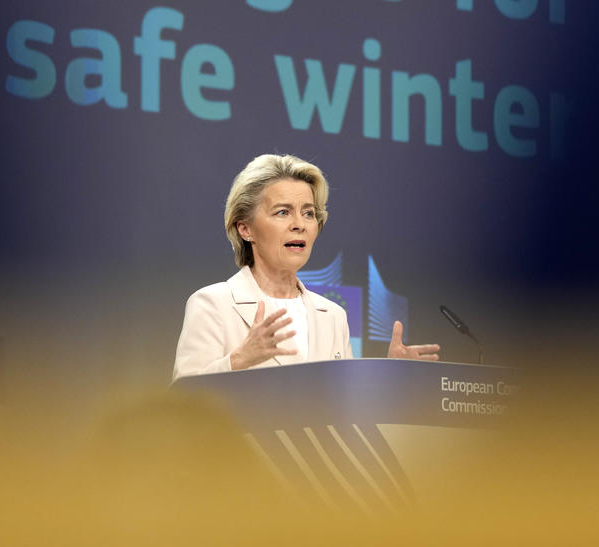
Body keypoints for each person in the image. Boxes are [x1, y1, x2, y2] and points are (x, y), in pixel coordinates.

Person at [172, 154, 439, 380]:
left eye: (309, 213)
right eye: (283, 212)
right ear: (245, 228)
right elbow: (181, 407)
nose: (299, 224)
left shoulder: (333, 315)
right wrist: (238, 360)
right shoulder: (212, 304)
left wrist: (388, 376)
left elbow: (344, 410)